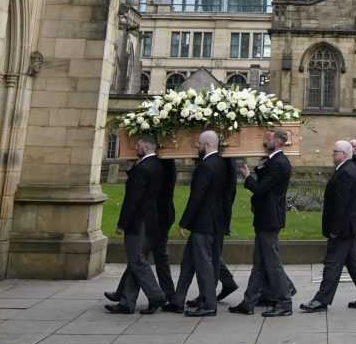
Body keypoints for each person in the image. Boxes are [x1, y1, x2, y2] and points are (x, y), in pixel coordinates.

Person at [300, 140, 356, 313]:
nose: (332, 154)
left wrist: (335, 230)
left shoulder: (346, 172)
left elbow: (342, 204)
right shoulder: (345, 170)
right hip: (348, 227)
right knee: (355, 263)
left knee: (332, 264)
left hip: (342, 228)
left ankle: (321, 300)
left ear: (344, 154)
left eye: (335, 151)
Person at [163, 130, 230, 317]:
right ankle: (178, 300)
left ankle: (209, 304)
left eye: (199, 144)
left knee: (203, 264)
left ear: (207, 145)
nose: (197, 147)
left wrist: (184, 222)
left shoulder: (205, 166)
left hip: (203, 223)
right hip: (216, 221)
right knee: (188, 262)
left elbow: (197, 197)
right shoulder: (223, 163)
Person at [230, 130, 295, 317]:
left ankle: (284, 301)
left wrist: (247, 176)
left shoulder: (280, 163)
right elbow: (266, 177)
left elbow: (260, 189)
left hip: (269, 219)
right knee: (259, 263)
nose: (266, 141)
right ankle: (249, 302)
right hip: (265, 218)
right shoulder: (273, 161)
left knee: (272, 263)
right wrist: (259, 168)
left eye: (269, 138)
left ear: (280, 141)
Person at [104, 135, 168, 314]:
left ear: (146, 147)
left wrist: (122, 224)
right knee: (136, 260)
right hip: (151, 219)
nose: (135, 148)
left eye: (138, 145)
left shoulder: (142, 169)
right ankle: (126, 302)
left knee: (137, 261)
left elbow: (133, 199)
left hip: (138, 221)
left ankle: (156, 296)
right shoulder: (157, 165)